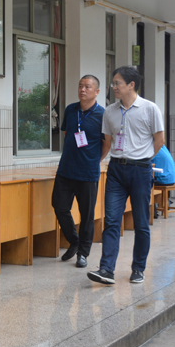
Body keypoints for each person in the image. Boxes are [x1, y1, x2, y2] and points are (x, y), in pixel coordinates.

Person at [87, 66, 164, 285]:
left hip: (140, 171)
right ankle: (106, 269)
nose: (114, 87)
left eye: (117, 83)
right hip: (116, 171)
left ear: (131, 85)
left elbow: (159, 140)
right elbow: (108, 141)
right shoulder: (110, 111)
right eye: (113, 83)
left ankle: (138, 268)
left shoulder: (150, 108)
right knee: (112, 220)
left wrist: (142, 158)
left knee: (141, 222)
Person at [52, 75, 105, 269]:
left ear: (96, 92)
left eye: (87, 87)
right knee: (59, 206)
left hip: (88, 173)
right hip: (66, 169)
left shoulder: (102, 115)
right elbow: (67, 134)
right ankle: (74, 241)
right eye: (80, 86)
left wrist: (94, 160)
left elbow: (106, 143)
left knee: (87, 214)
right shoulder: (70, 110)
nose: (82, 89)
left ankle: (83, 253)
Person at [151, 145, 175, 218]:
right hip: (172, 178)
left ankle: (152, 210)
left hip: (164, 179)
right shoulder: (163, 148)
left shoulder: (154, 149)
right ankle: (165, 201)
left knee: (146, 183)